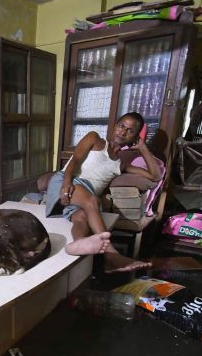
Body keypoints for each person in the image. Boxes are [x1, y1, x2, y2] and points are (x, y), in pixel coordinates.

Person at [45, 112, 162, 272]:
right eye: (122, 126)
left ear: (135, 137)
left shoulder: (121, 165)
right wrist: (66, 183)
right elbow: (75, 160)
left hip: (84, 198)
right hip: (68, 183)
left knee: (82, 217)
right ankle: (111, 255)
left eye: (130, 131)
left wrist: (143, 147)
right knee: (93, 200)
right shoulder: (95, 139)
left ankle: (77, 244)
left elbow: (156, 176)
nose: (123, 132)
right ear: (115, 127)